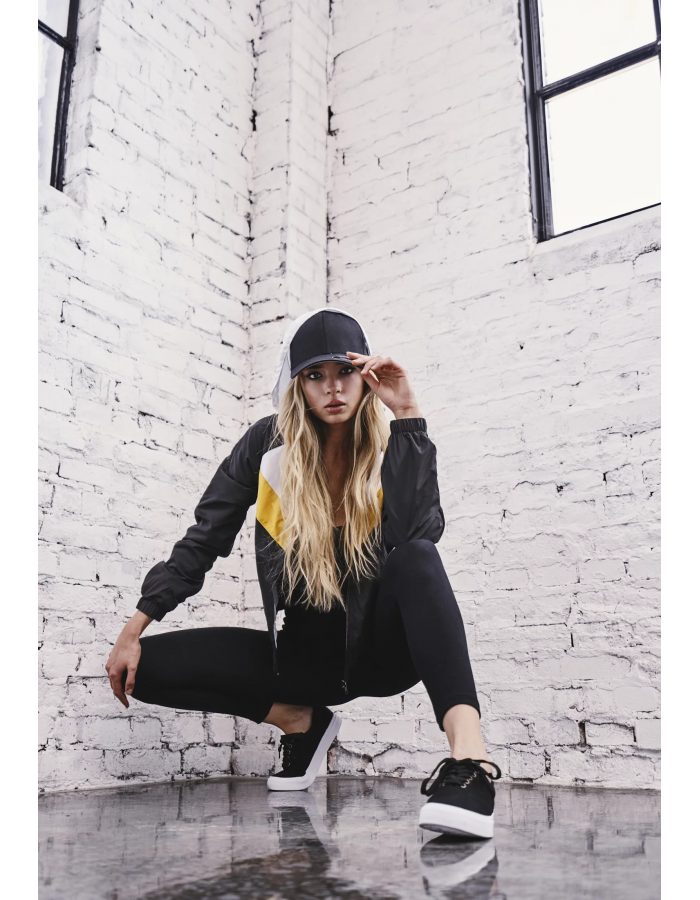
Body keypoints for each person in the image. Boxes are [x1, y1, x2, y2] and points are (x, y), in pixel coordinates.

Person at [105, 307, 502, 838]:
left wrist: (407, 413)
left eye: (345, 371)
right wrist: (135, 628)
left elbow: (419, 533)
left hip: (381, 656)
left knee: (417, 556)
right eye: (315, 375)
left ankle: (470, 763)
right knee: (142, 669)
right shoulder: (266, 446)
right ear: (297, 384)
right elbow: (206, 536)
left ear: (366, 375)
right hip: (301, 661)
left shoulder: (393, 443)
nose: (332, 388)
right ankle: (302, 723)